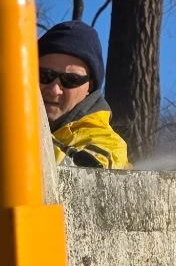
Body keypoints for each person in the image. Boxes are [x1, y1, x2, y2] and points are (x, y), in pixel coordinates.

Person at [36, 19, 129, 169]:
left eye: (71, 80)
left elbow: (99, 166)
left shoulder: (105, 142)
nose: (54, 90)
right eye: (45, 75)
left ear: (89, 88)